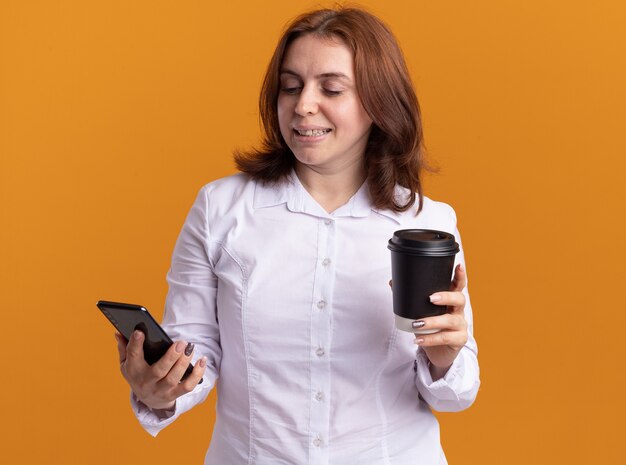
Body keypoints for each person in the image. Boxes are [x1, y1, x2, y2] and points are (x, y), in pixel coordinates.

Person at [115, 6, 480, 465]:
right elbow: (196, 352)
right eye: (290, 87)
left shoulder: (426, 223)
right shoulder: (219, 209)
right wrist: (160, 389)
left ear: (379, 102)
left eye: (331, 88)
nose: (303, 104)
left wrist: (446, 356)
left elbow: (458, 392)